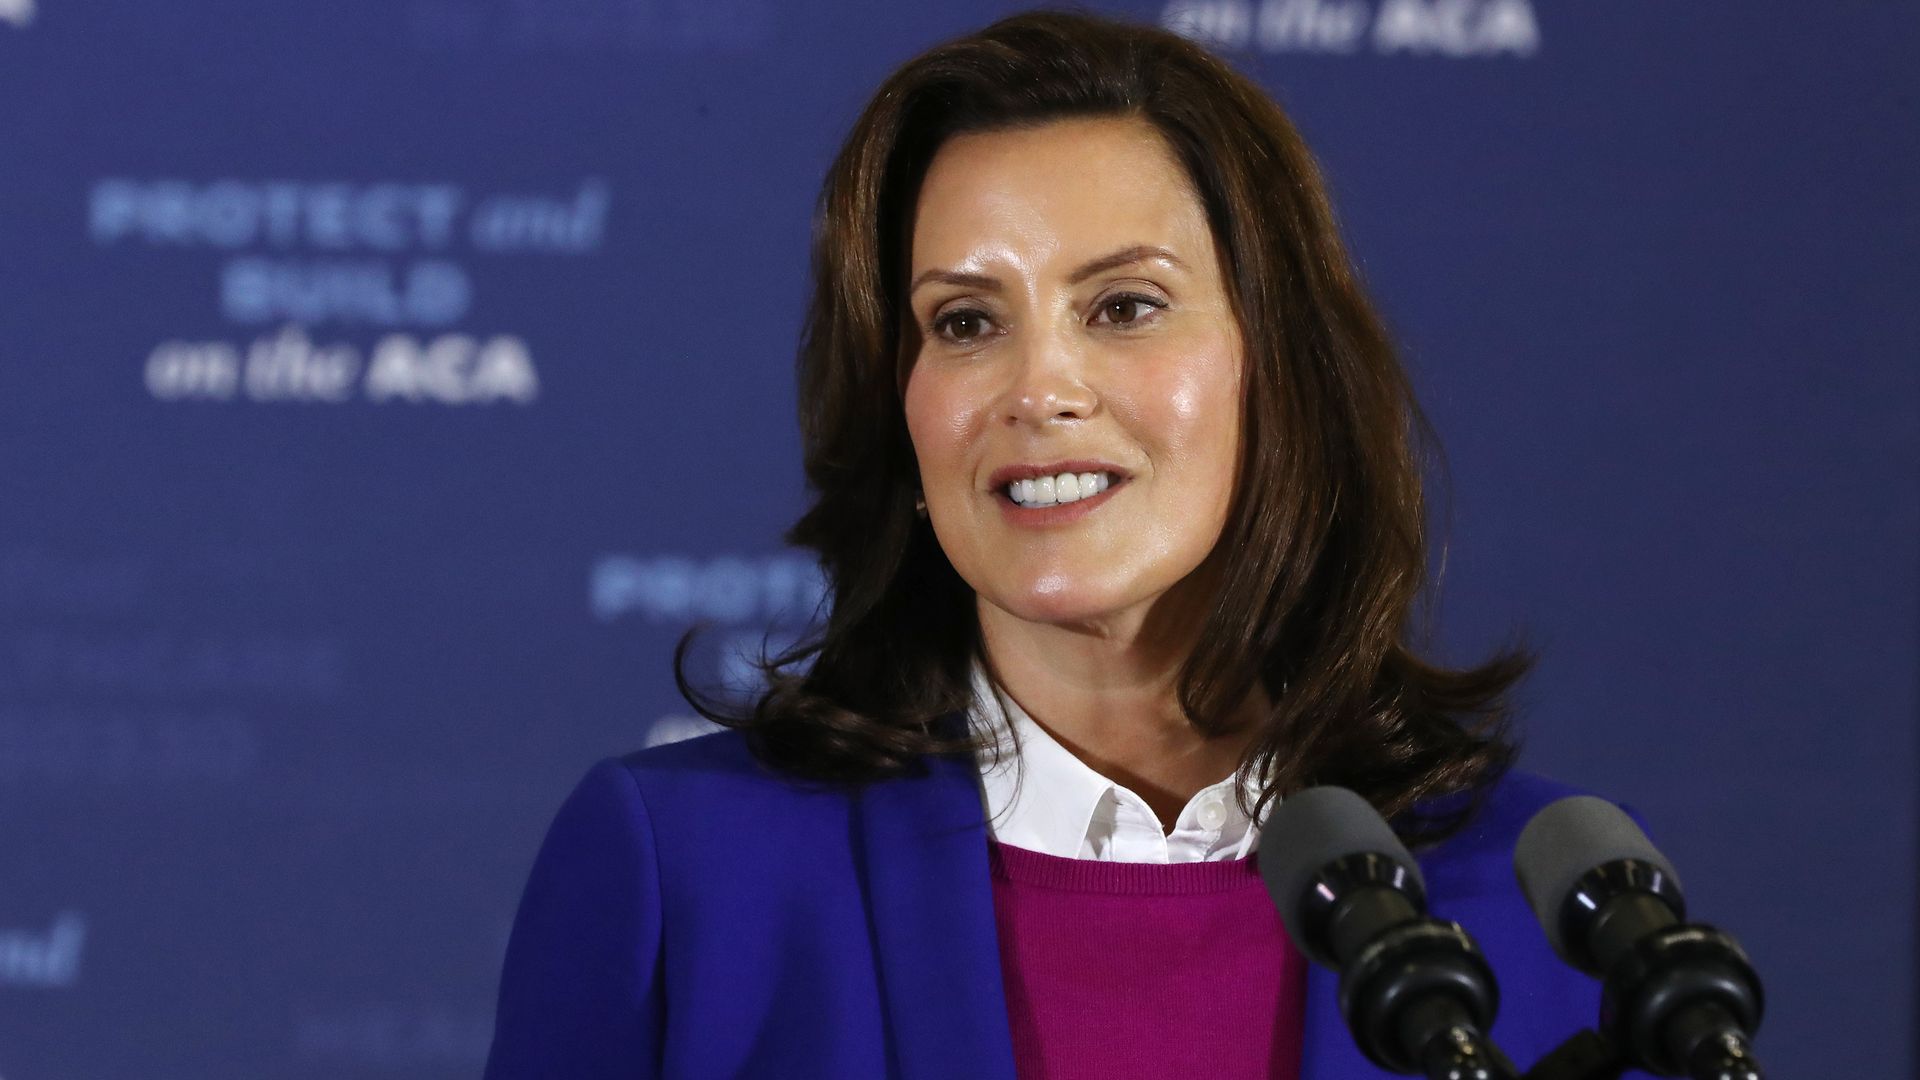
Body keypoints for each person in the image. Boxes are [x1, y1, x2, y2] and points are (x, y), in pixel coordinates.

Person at [484, 9, 1618, 1079]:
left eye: (1124, 306)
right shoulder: (688, 876)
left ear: (1279, 368)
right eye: (966, 322)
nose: (1040, 389)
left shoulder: (1555, 906)